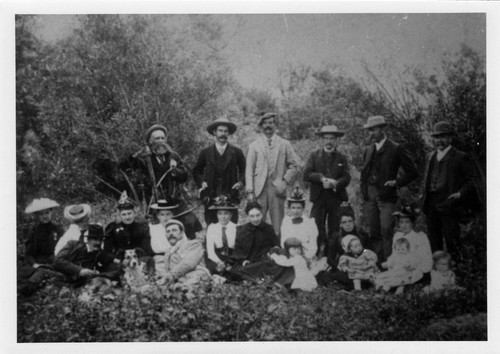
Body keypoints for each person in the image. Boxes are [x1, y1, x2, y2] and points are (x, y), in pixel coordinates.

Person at [119, 124, 203, 239]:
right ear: (150, 141)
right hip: (155, 202)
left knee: (188, 223)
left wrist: (175, 170)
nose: (160, 141)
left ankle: (190, 248)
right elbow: (123, 167)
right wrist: (137, 155)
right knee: (158, 230)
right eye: (157, 139)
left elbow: (184, 176)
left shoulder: (173, 155)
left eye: (162, 138)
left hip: (175, 199)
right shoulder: (145, 158)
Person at [360, 115, 418, 262]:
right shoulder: (368, 150)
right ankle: (377, 264)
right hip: (370, 195)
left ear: (383, 129)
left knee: (386, 229)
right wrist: (365, 192)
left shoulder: (396, 148)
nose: (372, 133)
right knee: (374, 230)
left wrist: (396, 182)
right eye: (369, 130)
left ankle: (389, 262)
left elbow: (413, 172)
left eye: (375, 129)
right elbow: (364, 173)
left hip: (387, 196)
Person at [421, 121, 477, 259]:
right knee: (434, 240)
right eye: (436, 137)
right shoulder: (430, 157)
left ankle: (457, 271)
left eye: (443, 136)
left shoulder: (459, 156)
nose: (439, 140)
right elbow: (426, 180)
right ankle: (438, 274)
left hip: (449, 204)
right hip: (431, 205)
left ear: (450, 138)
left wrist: (460, 194)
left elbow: (472, 181)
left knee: (452, 240)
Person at [245, 112, 300, 235]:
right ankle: (259, 250)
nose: (268, 126)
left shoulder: (285, 144)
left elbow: (294, 165)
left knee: (278, 223)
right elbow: (249, 169)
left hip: (277, 189)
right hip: (259, 190)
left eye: (270, 123)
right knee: (257, 220)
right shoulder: (254, 146)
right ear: (261, 126)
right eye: (265, 123)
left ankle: (278, 249)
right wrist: (250, 191)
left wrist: (284, 182)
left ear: (275, 125)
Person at [303, 125, 351, 257]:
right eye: (326, 138)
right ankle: (315, 255)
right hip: (319, 197)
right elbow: (306, 175)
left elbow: (347, 177)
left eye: (332, 138)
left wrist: (336, 183)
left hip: (336, 198)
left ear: (336, 140)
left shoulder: (341, 157)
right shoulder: (314, 156)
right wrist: (321, 178)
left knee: (335, 228)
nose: (329, 141)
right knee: (315, 227)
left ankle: (332, 257)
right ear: (322, 140)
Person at [193, 117, 246, 225]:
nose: (223, 134)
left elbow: (245, 170)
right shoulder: (205, 152)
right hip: (211, 194)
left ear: (229, 133)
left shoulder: (236, 152)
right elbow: (197, 170)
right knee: (211, 225)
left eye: (226, 131)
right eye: (220, 131)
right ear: (214, 132)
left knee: (231, 225)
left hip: (230, 194)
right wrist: (201, 182)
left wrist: (240, 182)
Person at [18, 198, 65, 294]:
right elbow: (29, 253)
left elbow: (63, 251)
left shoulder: (58, 229)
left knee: (38, 276)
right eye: (41, 214)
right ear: (37, 216)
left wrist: (51, 262)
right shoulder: (34, 231)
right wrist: (34, 264)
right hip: (35, 263)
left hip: (52, 263)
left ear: (51, 212)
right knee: (19, 276)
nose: (45, 216)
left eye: (47, 213)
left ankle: (26, 291)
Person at [53, 224, 121, 284]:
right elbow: (58, 260)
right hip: (61, 278)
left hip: (81, 284)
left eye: (100, 240)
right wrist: (79, 270)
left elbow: (107, 257)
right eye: (95, 239)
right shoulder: (73, 245)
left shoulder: (98, 252)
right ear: (88, 240)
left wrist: (117, 261)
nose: (98, 242)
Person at [157, 220, 210, 288]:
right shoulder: (168, 253)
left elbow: (188, 264)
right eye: (168, 231)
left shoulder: (194, 244)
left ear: (181, 233)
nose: (171, 233)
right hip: (177, 280)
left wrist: (170, 276)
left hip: (195, 277)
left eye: (174, 230)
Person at [104, 191, 153, 261]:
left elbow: (146, 249)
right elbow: (107, 250)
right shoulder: (113, 229)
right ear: (120, 215)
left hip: (138, 259)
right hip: (119, 260)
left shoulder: (142, 228)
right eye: (124, 214)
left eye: (129, 213)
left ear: (134, 213)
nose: (127, 217)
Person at [391, 206, 432, 284]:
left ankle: (401, 284)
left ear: (412, 223)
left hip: (416, 269)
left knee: (411, 275)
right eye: (401, 222)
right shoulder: (397, 236)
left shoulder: (420, 236)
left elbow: (425, 258)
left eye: (407, 222)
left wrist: (412, 265)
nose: (404, 225)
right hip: (401, 268)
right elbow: (395, 255)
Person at [327, 204, 371, 269]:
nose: (348, 225)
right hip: (344, 266)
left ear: (354, 221)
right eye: (344, 222)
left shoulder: (362, 234)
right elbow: (330, 259)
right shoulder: (336, 236)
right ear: (340, 224)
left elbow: (369, 251)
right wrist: (339, 267)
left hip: (361, 265)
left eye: (350, 221)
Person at [280, 187, 318, 261]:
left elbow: (313, 245)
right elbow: (283, 242)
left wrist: (307, 257)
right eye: (293, 208)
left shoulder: (310, 223)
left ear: (303, 208)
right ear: (289, 208)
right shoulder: (286, 221)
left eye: (299, 208)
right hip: (289, 253)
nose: (296, 211)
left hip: (305, 254)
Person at [204, 196, 238, 275]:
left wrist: (230, 262)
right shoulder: (212, 227)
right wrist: (219, 262)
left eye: (226, 213)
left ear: (231, 215)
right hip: (216, 256)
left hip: (232, 256)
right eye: (220, 214)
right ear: (216, 215)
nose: (223, 217)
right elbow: (210, 251)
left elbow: (238, 249)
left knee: (235, 271)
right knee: (214, 269)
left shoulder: (236, 227)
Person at [149, 198, 179, 275]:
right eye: (162, 215)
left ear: (172, 215)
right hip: (160, 259)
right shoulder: (153, 229)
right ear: (158, 216)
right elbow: (156, 248)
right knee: (164, 275)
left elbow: (183, 244)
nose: (165, 218)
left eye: (168, 214)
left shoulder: (178, 227)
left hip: (176, 257)